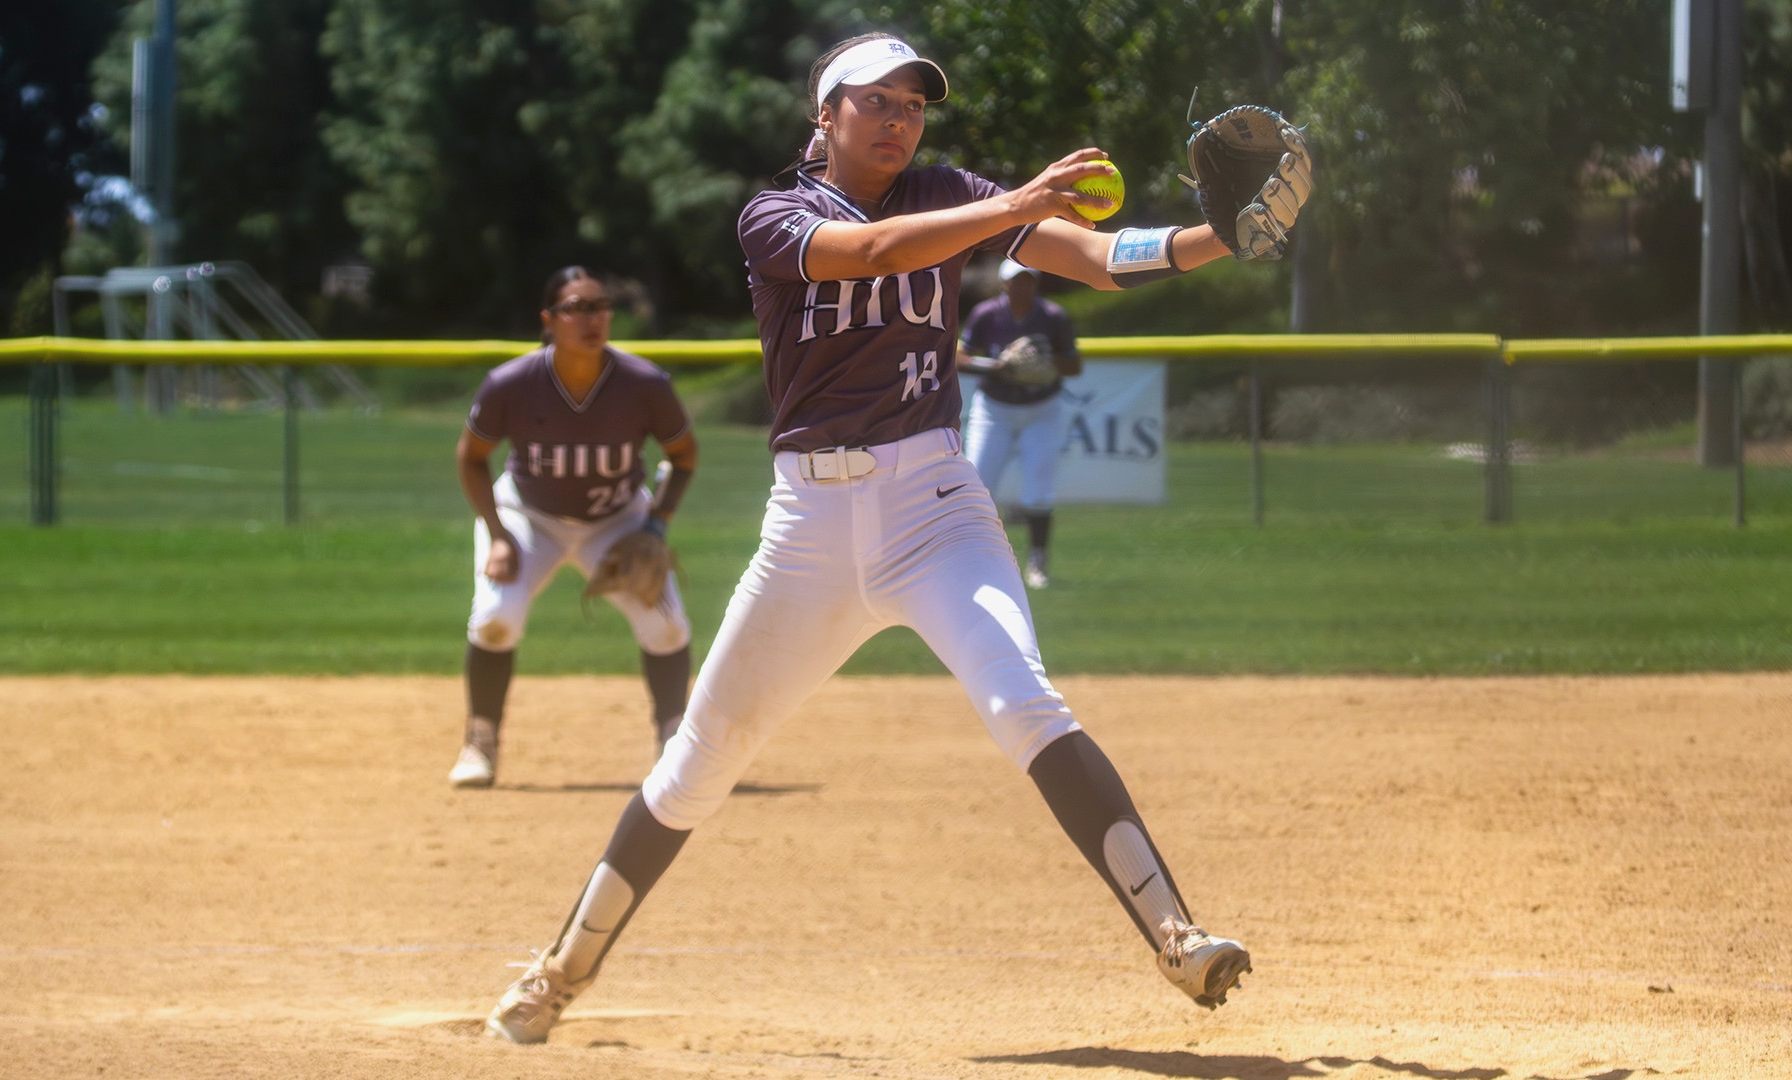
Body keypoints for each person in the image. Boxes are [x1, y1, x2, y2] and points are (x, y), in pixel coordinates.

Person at [483, 32, 1268, 1042]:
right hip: (809, 530)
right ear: (825, 112)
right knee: (699, 762)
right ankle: (558, 975)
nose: (900, 120)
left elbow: (1106, 260)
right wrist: (1018, 204)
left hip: (934, 507)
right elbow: (877, 253)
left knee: (1023, 698)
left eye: (914, 105)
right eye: (877, 101)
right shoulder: (776, 213)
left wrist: (1222, 232)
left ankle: (1178, 936)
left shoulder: (948, 186)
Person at [446, 266, 699, 789]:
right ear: (549, 320)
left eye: (600, 307)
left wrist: (654, 527)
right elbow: (471, 459)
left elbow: (684, 457)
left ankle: (674, 746)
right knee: (496, 618)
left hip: (618, 519)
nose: (592, 318)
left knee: (668, 627)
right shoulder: (512, 383)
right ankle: (480, 742)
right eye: (577, 308)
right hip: (528, 517)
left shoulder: (643, 384)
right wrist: (496, 532)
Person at [959, 258, 1082, 588]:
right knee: (977, 486)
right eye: (1017, 280)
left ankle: (1038, 562)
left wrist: (1044, 362)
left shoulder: (1053, 317)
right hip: (995, 408)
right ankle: (972, 561)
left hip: (1041, 406)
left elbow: (1073, 366)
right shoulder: (986, 314)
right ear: (1004, 284)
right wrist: (998, 366)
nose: (1023, 286)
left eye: (1028, 279)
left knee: (1039, 489)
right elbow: (959, 357)